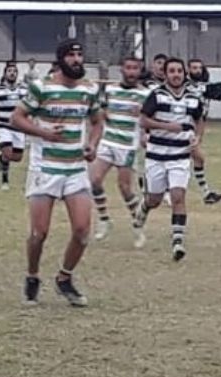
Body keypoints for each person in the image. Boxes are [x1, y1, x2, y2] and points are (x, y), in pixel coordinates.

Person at [10, 39, 103, 307]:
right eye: (71, 55)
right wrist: (44, 133)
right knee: (39, 233)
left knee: (83, 230)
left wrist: (92, 145)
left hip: (75, 168)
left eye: (80, 55)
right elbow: (17, 118)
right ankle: (32, 276)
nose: (77, 60)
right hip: (45, 167)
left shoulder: (89, 90)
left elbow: (97, 122)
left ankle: (65, 278)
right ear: (61, 60)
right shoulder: (42, 87)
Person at [133, 57, 205, 262]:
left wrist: (197, 139)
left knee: (177, 196)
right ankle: (144, 207)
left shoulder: (193, 97)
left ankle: (178, 242)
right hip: (156, 154)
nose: (176, 75)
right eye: (172, 71)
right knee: (154, 199)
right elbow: (143, 119)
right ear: (165, 74)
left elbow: (200, 119)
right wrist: (166, 126)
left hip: (180, 155)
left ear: (184, 74)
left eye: (179, 71)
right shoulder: (156, 95)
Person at [89, 56, 151, 246]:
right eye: (128, 68)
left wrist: (145, 132)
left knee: (125, 188)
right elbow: (101, 112)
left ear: (140, 72)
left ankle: (137, 225)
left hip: (128, 145)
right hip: (108, 141)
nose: (132, 72)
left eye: (135, 68)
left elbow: (149, 119)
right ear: (122, 70)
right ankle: (105, 219)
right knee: (94, 180)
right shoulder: (110, 89)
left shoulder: (146, 94)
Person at [186, 59, 221, 205]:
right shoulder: (185, 86)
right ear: (188, 69)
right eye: (194, 68)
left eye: (199, 68)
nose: (197, 71)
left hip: (197, 124)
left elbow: (205, 110)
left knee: (197, 159)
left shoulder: (204, 86)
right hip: (184, 126)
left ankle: (206, 193)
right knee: (194, 158)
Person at [0, 62, 28, 191]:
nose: (12, 73)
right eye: (9, 71)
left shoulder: (24, 90)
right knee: (8, 153)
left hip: (18, 126)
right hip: (2, 125)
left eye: (14, 71)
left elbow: (30, 105)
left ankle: (1, 158)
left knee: (17, 157)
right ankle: (5, 180)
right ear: (5, 74)